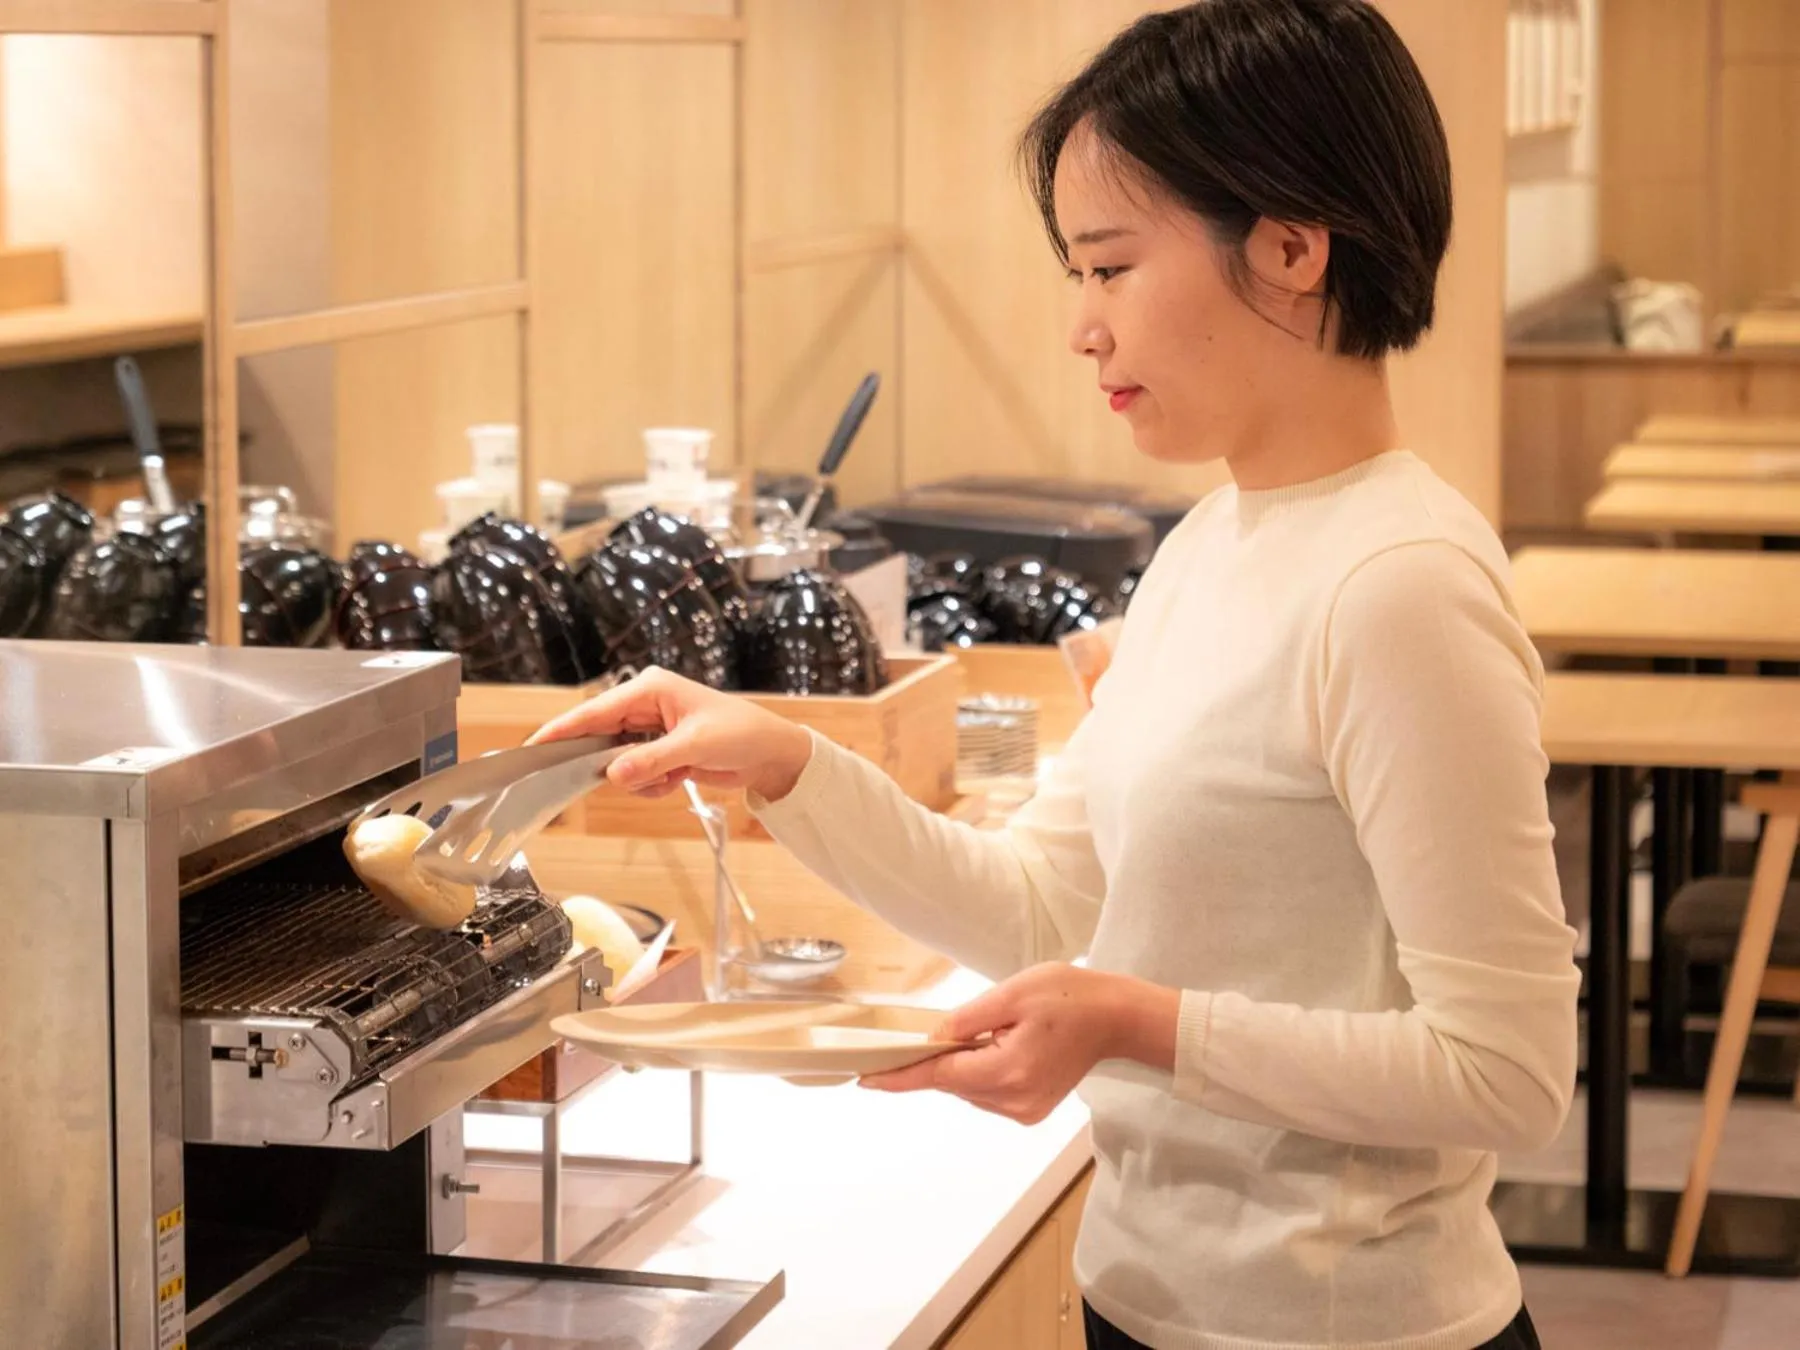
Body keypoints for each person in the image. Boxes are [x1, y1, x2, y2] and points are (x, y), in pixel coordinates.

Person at [531, 2, 1579, 1346]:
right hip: (1142, 1302)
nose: (1083, 326)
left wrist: (1134, 1019)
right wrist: (787, 762)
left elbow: (1506, 1069)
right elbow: (1033, 905)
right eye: (1076, 275)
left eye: (1111, 267)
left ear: (1292, 246)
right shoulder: (1211, 542)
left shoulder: (1402, 584)